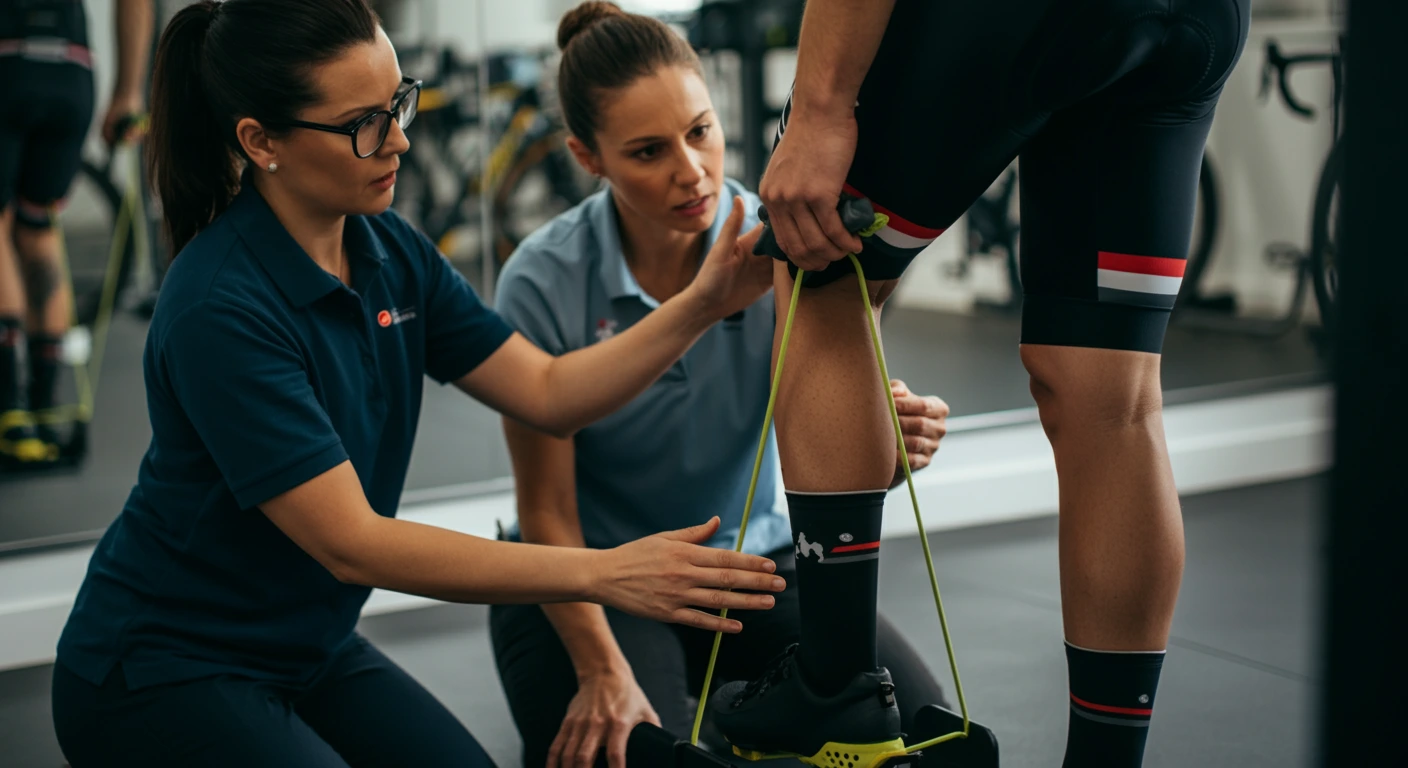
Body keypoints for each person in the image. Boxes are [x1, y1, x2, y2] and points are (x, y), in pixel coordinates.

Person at [48, 1, 786, 766]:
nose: (400, 138)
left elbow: (548, 392)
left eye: (399, 102)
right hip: (162, 666)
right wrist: (606, 572)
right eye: (365, 123)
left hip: (311, 647)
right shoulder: (217, 306)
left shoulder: (388, 249)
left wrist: (703, 303)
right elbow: (355, 545)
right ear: (261, 141)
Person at [708, 1, 1251, 767]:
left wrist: (821, 107)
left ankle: (834, 695)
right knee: (1114, 401)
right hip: (1198, 21)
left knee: (821, 272)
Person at [487, 4, 954, 767]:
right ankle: (707, 712)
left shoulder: (779, 237)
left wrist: (892, 442)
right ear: (587, 156)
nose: (691, 171)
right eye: (646, 151)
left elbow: (838, 453)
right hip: (605, 582)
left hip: (753, 574)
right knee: (641, 755)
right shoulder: (541, 279)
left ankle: (734, 710)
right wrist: (600, 670)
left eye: (700, 131)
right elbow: (545, 510)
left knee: (915, 741)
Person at [0, 0, 152, 465]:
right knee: (39, 224)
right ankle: (49, 409)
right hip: (72, 70)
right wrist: (128, 91)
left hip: (7, 63)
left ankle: (10, 412)